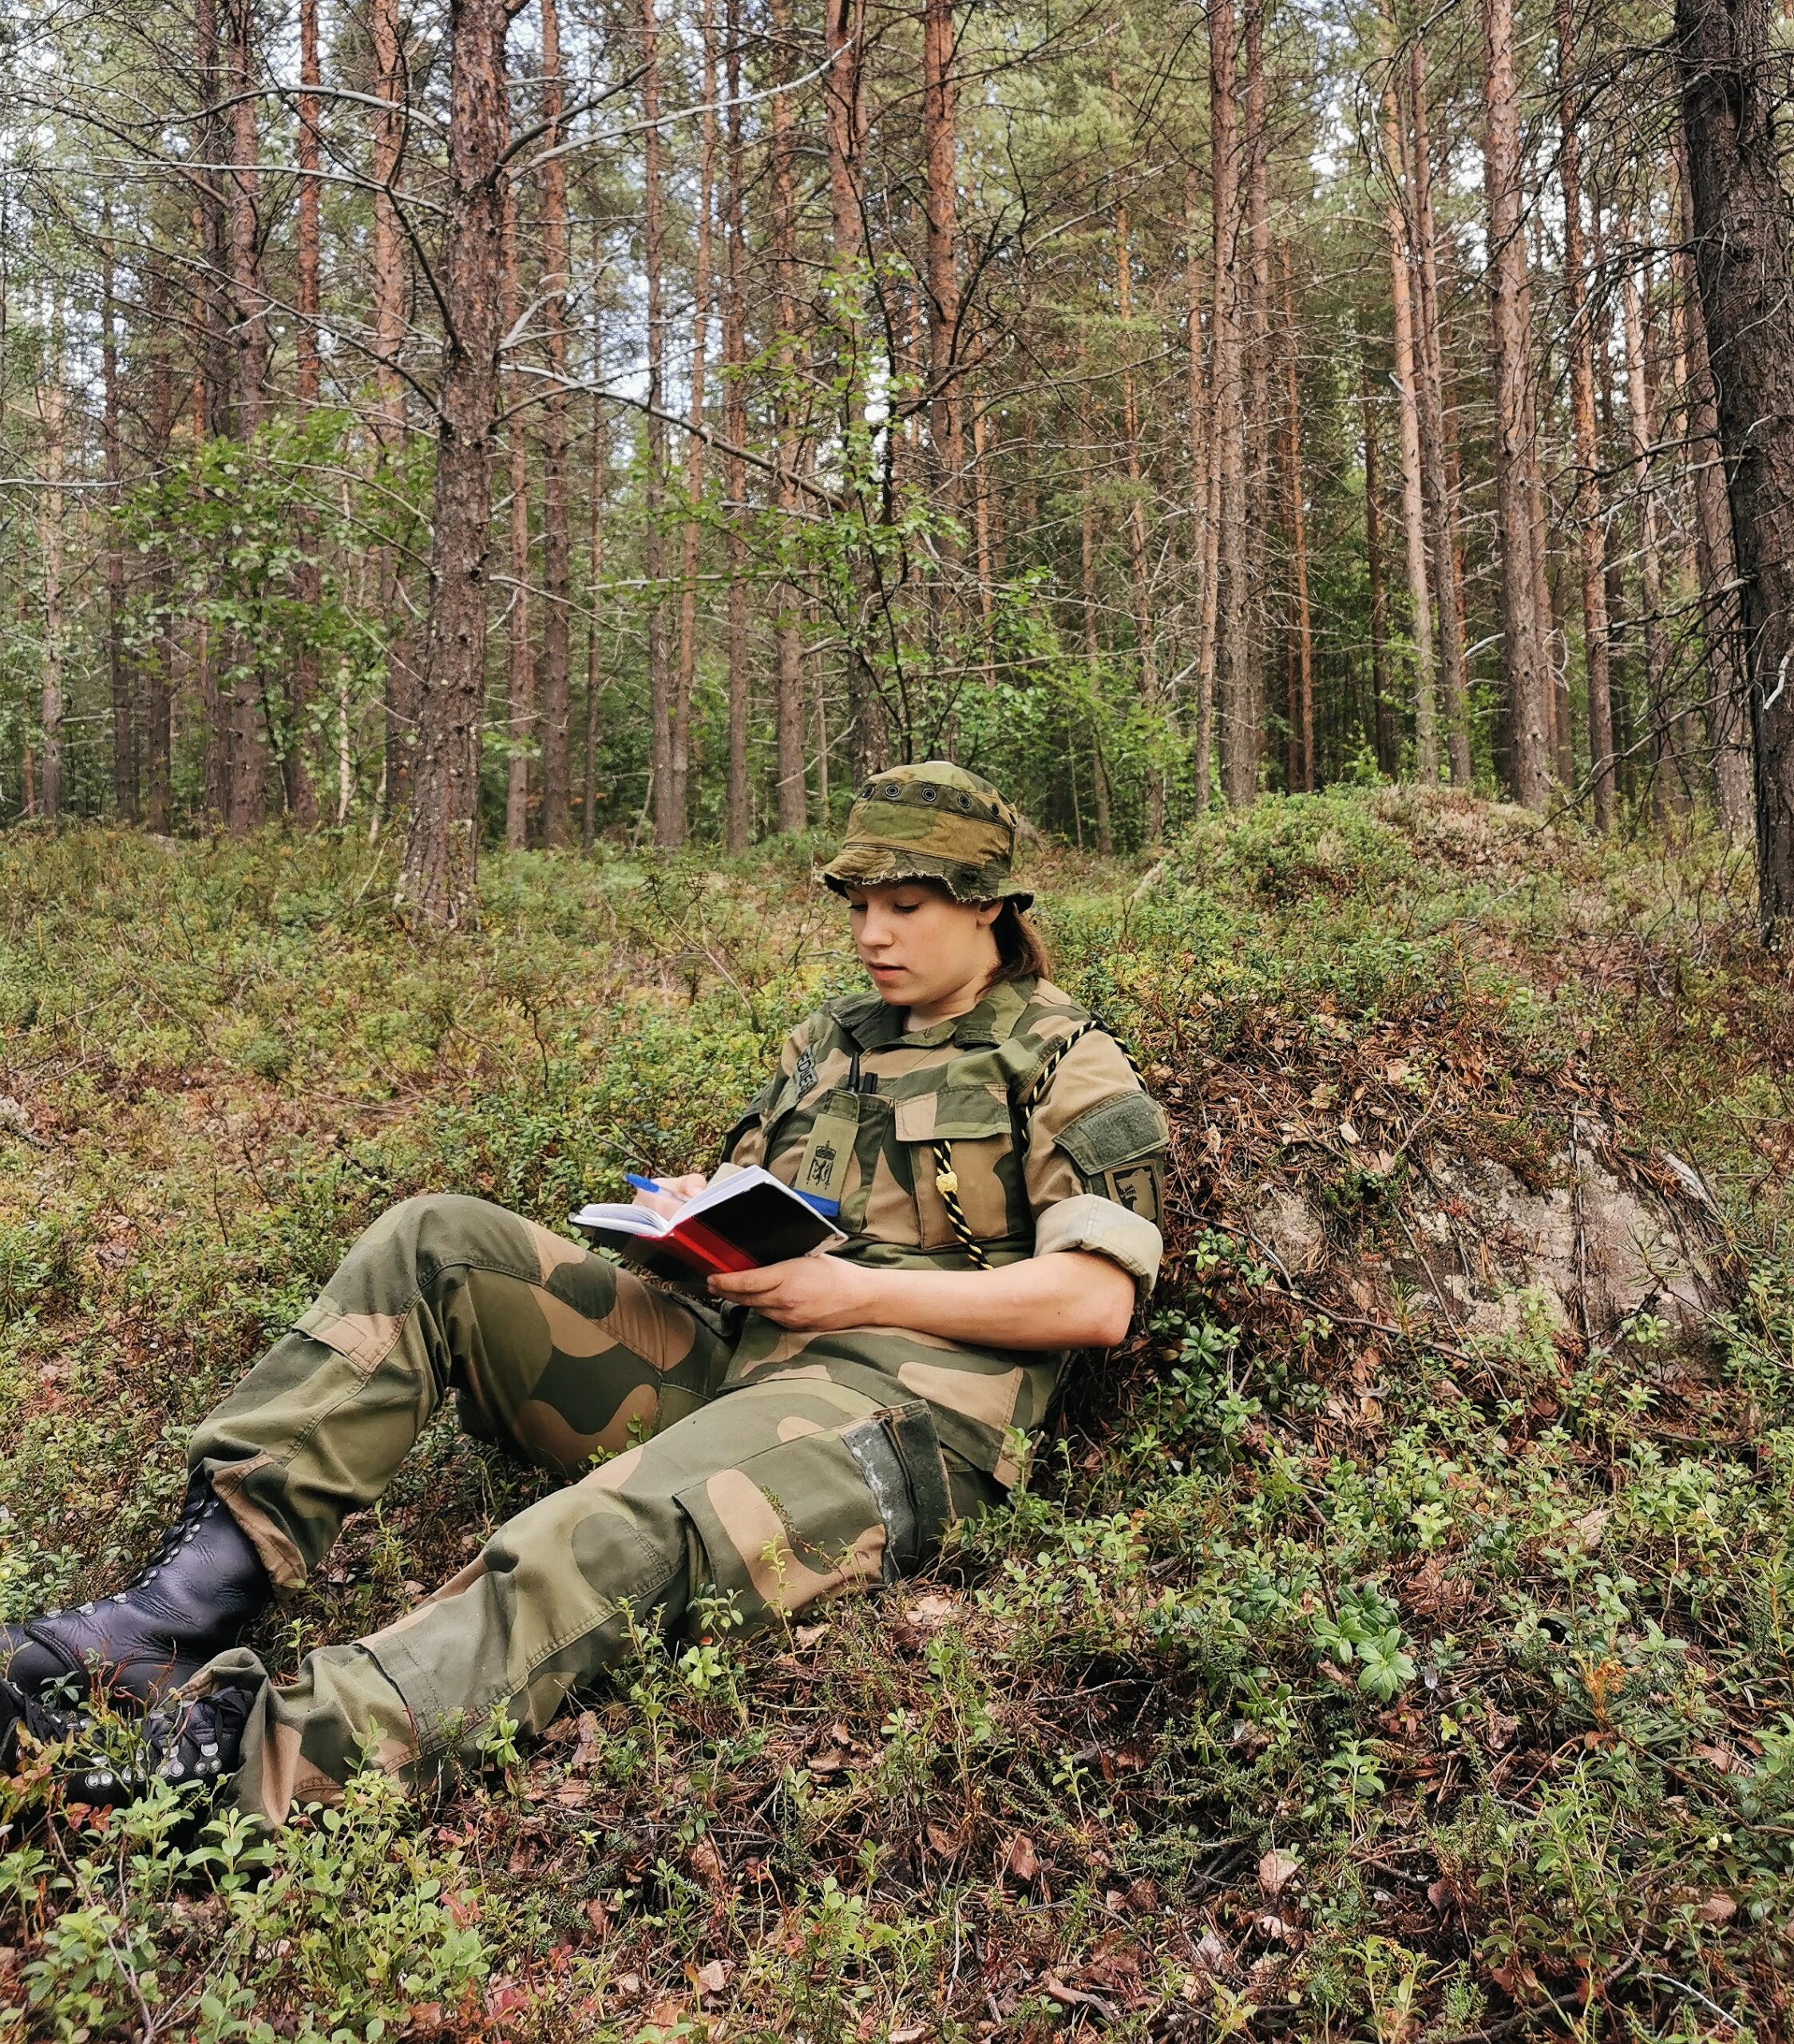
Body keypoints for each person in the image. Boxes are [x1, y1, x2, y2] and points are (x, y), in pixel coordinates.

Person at [0, 763, 1169, 1820]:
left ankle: (246, 1768)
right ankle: (179, 1611)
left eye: (903, 909)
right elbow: (778, 1199)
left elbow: (1093, 1302)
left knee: (605, 1526)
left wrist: (848, 1297)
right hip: (744, 1358)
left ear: (989, 906)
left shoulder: (1063, 1057)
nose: (871, 934)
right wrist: (699, 1217)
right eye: (856, 905)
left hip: (905, 1410)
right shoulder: (835, 1041)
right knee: (436, 1240)